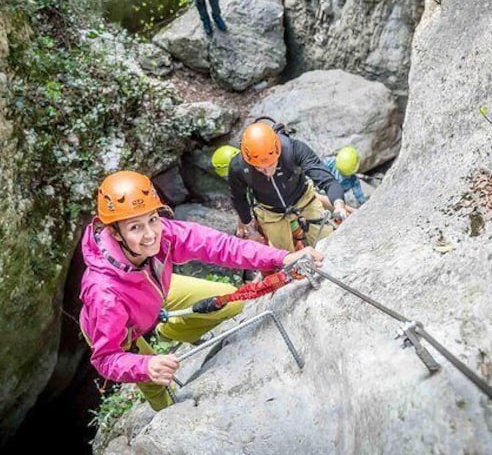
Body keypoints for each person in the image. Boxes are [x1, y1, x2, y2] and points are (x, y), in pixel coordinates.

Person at [78, 170, 322, 411]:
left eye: (152, 219)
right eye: (135, 228)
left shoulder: (163, 235)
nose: (151, 234)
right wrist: (146, 366)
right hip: (122, 322)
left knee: (230, 300)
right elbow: (106, 358)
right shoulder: (104, 295)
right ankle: (168, 418)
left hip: (152, 288)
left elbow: (218, 245)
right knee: (155, 383)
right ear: (115, 233)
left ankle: (168, 331)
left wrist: (283, 258)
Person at [227, 121, 350, 252]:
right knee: (284, 256)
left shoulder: (293, 149)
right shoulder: (239, 168)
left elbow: (325, 178)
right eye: (260, 169)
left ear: (277, 150)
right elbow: (238, 197)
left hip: (304, 199)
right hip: (271, 211)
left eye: (272, 164)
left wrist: (338, 204)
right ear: (248, 159)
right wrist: (249, 225)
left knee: (326, 242)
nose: (268, 171)